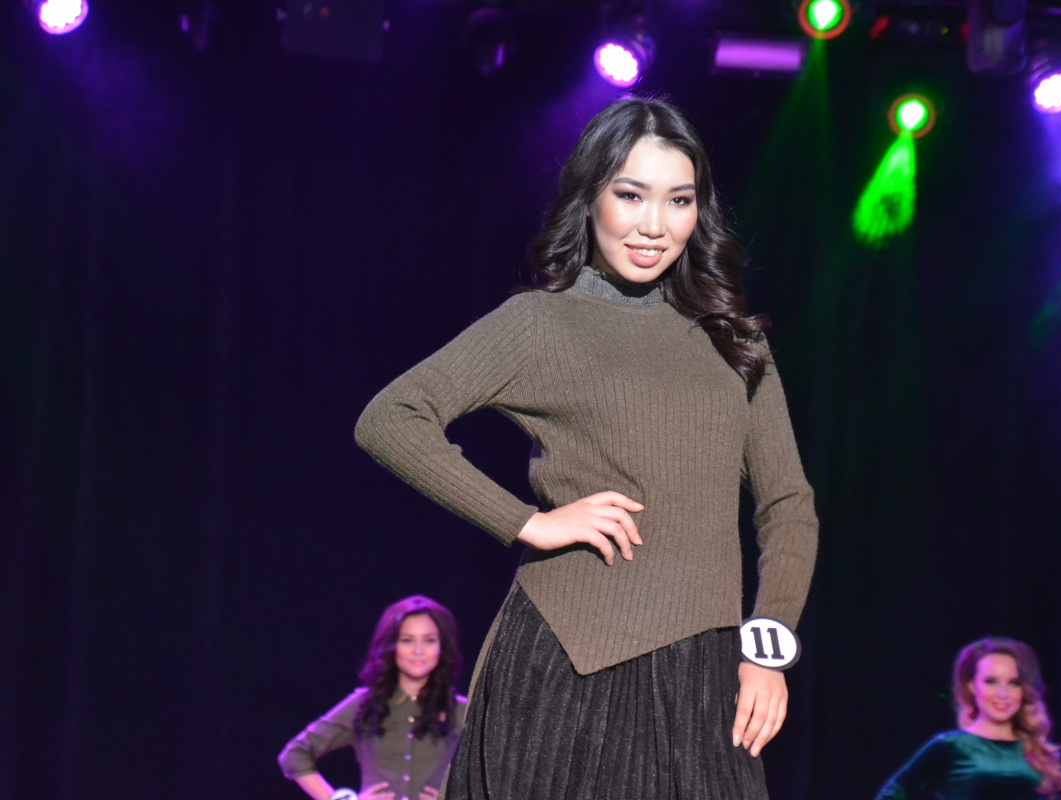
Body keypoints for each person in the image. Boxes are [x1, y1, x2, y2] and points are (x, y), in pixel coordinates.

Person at [354, 96, 819, 800]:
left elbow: (788, 506)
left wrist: (768, 647)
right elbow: (391, 418)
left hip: (704, 675)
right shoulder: (541, 323)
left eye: (679, 200)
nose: (654, 224)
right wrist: (528, 522)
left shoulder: (733, 340)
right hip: (567, 662)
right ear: (590, 196)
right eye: (630, 195)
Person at [278, 596, 467, 800]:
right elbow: (295, 755)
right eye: (407, 640)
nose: (418, 650)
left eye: (429, 640)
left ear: (442, 647)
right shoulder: (364, 705)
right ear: (392, 646)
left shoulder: (462, 711)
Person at [874, 637, 1061, 800]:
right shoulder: (949, 747)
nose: (1003, 694)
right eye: (991, 681)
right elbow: (893, 794)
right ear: (971, 685)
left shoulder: (1041, 755)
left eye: (1013, 683)